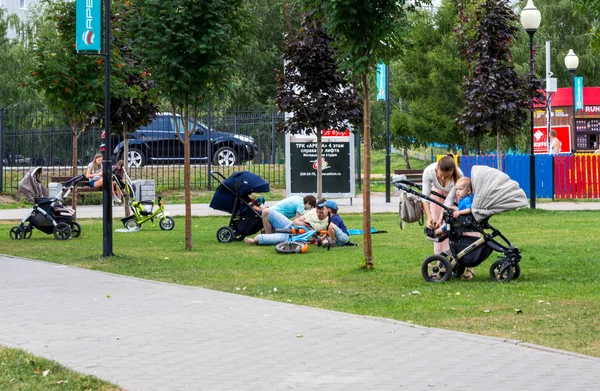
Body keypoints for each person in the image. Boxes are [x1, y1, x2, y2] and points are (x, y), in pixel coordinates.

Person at [422, 154, 463, 255]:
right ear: (437, 168)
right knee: (439, 228)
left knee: (458, 226)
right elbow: (425, 196)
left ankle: (466, 264)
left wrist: (442, 217)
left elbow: (449, 201)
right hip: (437, 197)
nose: (444, 178)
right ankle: (440, 259)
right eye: (441, 175)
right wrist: (429, 217)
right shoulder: (429, 171)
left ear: (452, 172)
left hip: (455, 198)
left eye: (447, 176)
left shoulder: (458, 175)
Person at [245, 199, 329, 246]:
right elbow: (296, 221)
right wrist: (304, 224)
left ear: (327, 209)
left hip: (292, 237)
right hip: (289, 225)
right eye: (317, 211)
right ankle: (269, 235)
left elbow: (326, 235)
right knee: (266, 211)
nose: (319, 214)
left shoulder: (329, 221)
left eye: (321, 212)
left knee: (256, 239)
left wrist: (314, 233)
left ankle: (264, 239)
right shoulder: (312, 212)